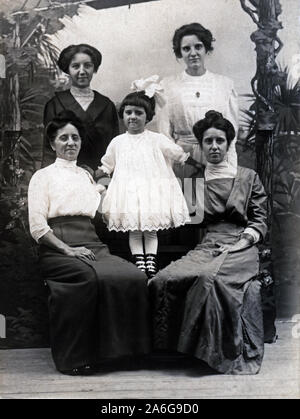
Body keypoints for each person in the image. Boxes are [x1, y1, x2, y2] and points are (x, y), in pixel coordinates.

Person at [28, 110, 150, 375]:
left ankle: (122, 354)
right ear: (53, 144)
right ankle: (75, 358)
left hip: (91, 244)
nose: (70, 143)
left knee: (134, 277)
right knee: (89, 279)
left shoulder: (85, 176)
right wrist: (68, 249)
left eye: (75, 137)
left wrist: (111, 188)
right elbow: (38, 227)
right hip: (57, 248)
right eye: (63, 138)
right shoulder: (42, 177)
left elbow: (99, 207)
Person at [149, 110, 268, 375]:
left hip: (242, 245)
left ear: (229, 144)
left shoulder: (248, 177)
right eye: (208, 142)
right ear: (200, 146)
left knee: (207, 278)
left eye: (220, 141)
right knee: (163, 279)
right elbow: (190, 221)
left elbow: (259, 221)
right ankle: (175, 351)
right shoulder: (194, 181)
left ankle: (212, 355)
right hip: (208, 244)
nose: (214, 147)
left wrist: (241, 243)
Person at [95, 79, 202, 279]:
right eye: (128, 113)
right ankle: (139, 261)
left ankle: (150, 262)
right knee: (134, 228)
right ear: (123, 116)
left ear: (148, 117)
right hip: (128, 192)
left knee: (150, 229)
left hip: (152, 192)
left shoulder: (157, 139)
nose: (133, 117)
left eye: (138, 113)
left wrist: (188, 157)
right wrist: (101, 173)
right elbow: (108, 163)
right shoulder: (118, 142)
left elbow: (177, 153)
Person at [157, 23, 239, 180]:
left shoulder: (225, 84)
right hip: (184, 160)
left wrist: (231, 166)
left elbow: (232, 134)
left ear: (206, 49)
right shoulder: (167, 86)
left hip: (218, 157)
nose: (193, 53)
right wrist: (178, 160)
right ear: (180, 53)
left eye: (198, 47)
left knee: (217, 202)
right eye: (186, 49)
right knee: (191, 202)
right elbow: (164, 133)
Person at [42, 44, 119, 171]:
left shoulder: (106, 105)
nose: (82, 71)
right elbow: (48, 149)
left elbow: (115, 149)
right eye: (75, 66)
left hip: (101, 176)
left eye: (87, 66)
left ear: (94, 68)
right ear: (68, 69)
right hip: (65, 175)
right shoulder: (55, 104)